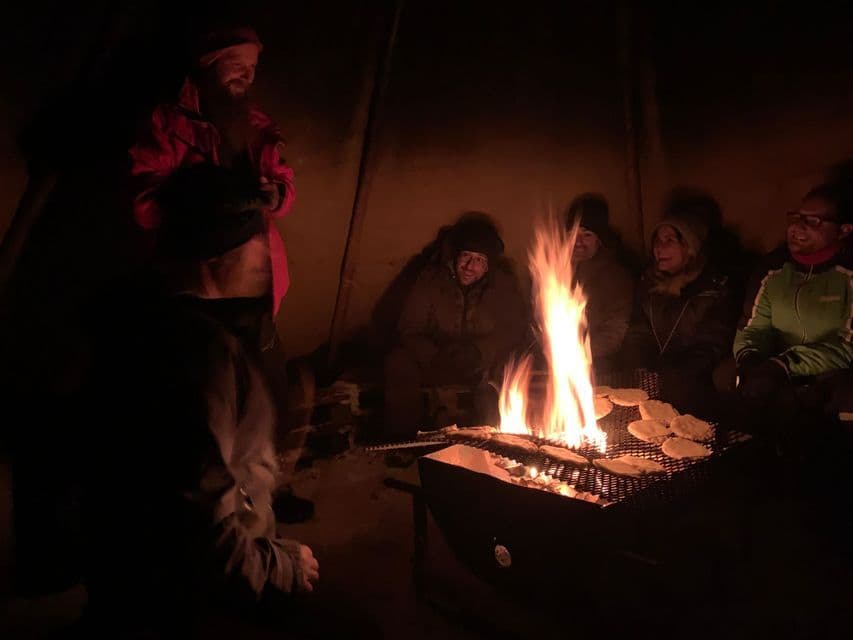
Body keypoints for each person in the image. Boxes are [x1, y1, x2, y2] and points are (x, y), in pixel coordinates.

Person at [81, 164, 319, 636]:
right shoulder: (198, 353)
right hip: (184, 607)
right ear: (219, 256)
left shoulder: (141, 320)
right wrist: (279, 567)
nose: (264, 258)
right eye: (255, 244)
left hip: (128, 584)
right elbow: (196, 529)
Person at [129, 25, 295, 328]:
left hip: (253, 284)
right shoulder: (170, 122)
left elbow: (282, 182)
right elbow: (145, 203)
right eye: (237, 66)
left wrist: (276, 194)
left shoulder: (257, 127)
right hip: (198, 283)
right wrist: (202, 204)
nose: (246, 76)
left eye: (252, 68)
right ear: (210, 63)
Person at [383, 215, 528, 439]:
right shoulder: (430, 281)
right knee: (398, 363)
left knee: (507, 371)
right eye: (466, 257)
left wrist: (480, 352)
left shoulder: (502, 286)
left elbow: (513, 328)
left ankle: (496, 441)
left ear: (488, 265)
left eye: (479, 260)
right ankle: (403, 440)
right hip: (436, 360)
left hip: (480, 363)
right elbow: (409, 328)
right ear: (455, 256)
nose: (470, 267)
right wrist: (436, 355)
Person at [734, 183, 853, 418]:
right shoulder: (773, 269)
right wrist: (750, 361)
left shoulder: (848, 275)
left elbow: (847, 346)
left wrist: (784, 365)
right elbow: (752, 327)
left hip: (832, 371)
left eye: (813, 221)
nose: (797, 227)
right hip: (778, 365)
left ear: (844, 230)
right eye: (797, 218)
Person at [621, 207, 736, 415]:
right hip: (653, 378)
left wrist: (671, 375)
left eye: (669, 241)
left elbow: (712, 344)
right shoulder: (648, 284)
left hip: (691, 381)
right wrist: (639, 367)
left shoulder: (713, 290)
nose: (659, 248)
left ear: (690, 247)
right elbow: (637, 332)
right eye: (657, 241)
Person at [565, 194, 634, 370]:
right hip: (556, 362)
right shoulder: (553, 272)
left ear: (599, 240)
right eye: (573, 234)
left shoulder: (615, 277)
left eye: (586, 235)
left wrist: (578, 353)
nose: (578, 242)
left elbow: (615, 331)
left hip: (600, 365)